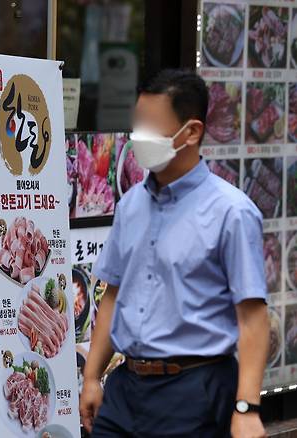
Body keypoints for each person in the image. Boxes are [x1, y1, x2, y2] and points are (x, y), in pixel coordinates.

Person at [79, 69, 269, 438]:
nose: (139, 137)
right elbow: (113, 295)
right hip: (125, 389)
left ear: (192, 132)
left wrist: (247, 408)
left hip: (194, 390)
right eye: (138, 123)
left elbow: (252, 319)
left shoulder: (232, 212)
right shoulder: (131, 204)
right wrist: (91, 377)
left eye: (152, 125)